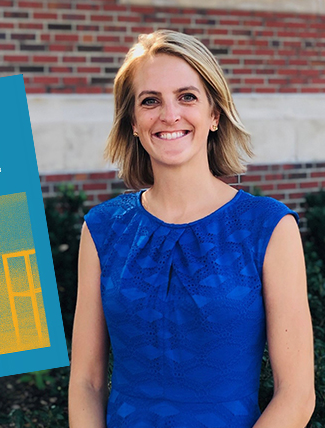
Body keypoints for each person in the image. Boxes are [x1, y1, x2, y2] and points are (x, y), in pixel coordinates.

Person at [68, 30, 315, 427]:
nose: (170, 115)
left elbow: (298, 396)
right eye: (150, 101)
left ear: (214, 114)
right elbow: (87, 382)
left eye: (187, 96)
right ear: (133, 122)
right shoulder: (101, 230)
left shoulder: (268, 227)